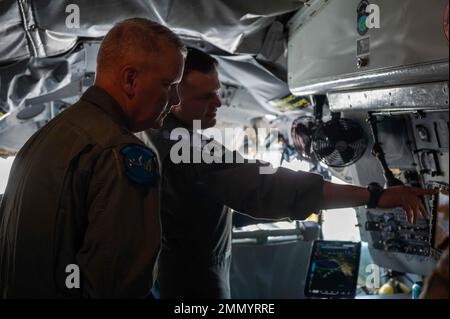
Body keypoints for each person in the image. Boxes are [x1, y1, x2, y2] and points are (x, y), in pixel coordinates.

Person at [138, 47, 437, 299]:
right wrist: (375, 196)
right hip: (192, 286)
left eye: (217, 93)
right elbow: (268, 185)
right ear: (173, 97)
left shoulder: (152, 134)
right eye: (205, 97)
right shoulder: (188, 147)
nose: (218, 103)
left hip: (169, 277)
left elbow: (214, 201)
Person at [0, 18, 186, 298]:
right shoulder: (120, 153)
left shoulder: (39, 141)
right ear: (130, 79)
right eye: (169, 84)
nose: (175, 99)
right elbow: (118, 288)